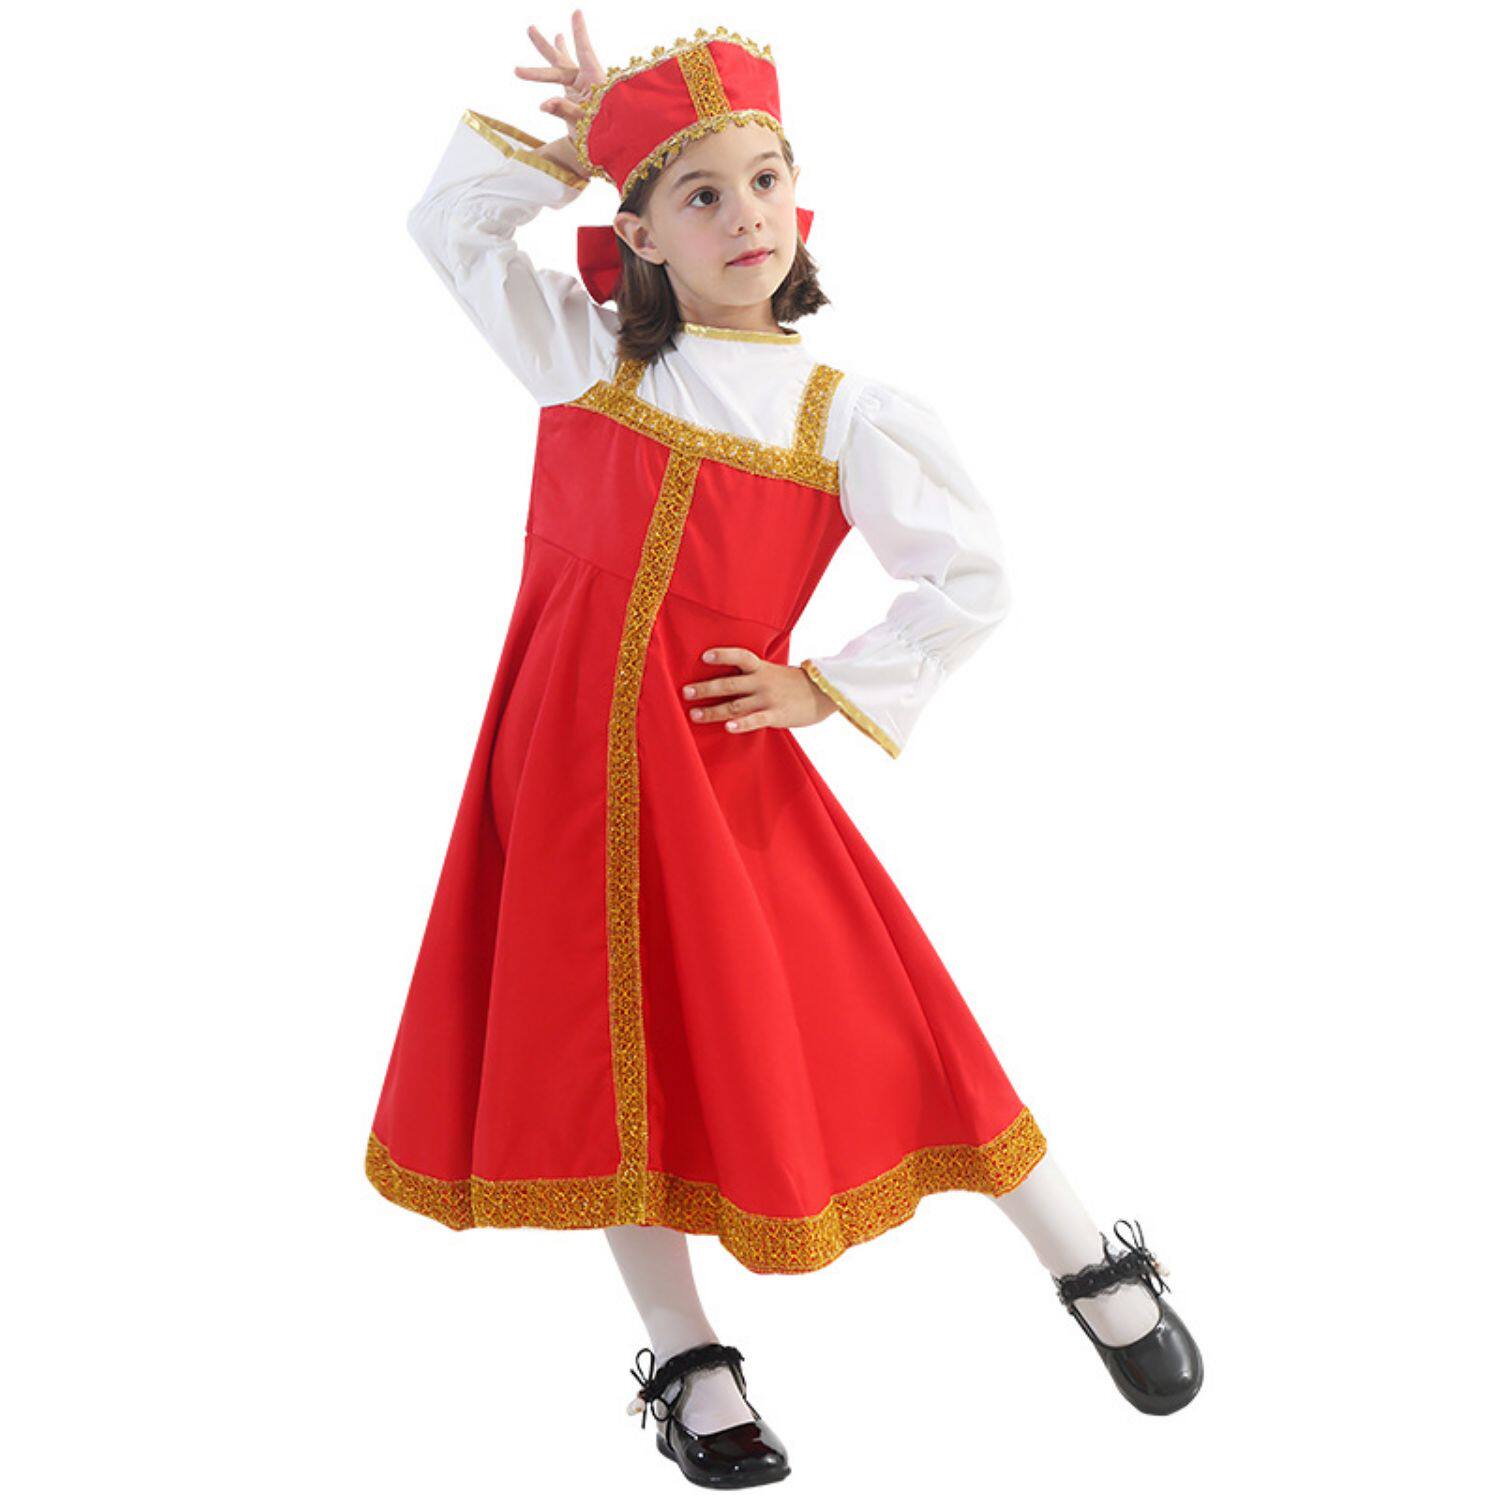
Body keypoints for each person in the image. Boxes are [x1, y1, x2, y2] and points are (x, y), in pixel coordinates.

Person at [364, 13, 1203, 1486]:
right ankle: (688, 1357)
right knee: (603, 1057)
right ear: (637, 233)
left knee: (886, 1010)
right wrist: (580, 146)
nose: (744, 215)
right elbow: (449, 228)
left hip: (720, 777)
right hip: (556, 782)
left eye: (764, 180)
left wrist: (824, 689)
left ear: (800, 200)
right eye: (699, 195)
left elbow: (968, 579)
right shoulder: (582, 359)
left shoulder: (843, 412)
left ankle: (1087, 1259)